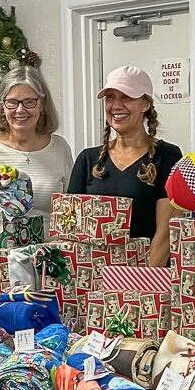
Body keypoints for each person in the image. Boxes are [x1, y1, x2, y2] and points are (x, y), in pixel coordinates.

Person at [68, 65, 182, 266]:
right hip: (94, 282)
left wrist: (144, 285)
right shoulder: (87, 160)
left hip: (145, 280)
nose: (116, 105)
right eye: (110, 97)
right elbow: (71, 232)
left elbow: (166, 233)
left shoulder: (167, 156)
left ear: (145, 104)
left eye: (127, 97)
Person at [0, 66, 73, 237]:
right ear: (3, 106)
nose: (20, 110)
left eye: (29, 102)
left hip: (49, 257)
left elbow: (72, 211)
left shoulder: (60, 148)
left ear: (42, 105)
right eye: (12, 102)